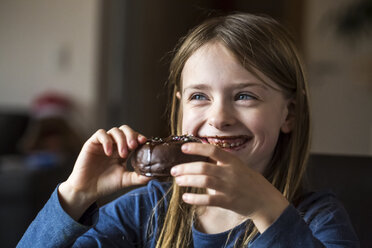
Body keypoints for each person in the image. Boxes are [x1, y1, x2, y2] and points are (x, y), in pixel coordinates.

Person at [17, 13, 359, 247]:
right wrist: (76, 195)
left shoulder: (318, 219)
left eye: (244, 96)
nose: (219, 117)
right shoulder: (146, 210)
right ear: (179, 106)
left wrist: (266, 208)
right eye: (199, 96)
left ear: (290, 114)